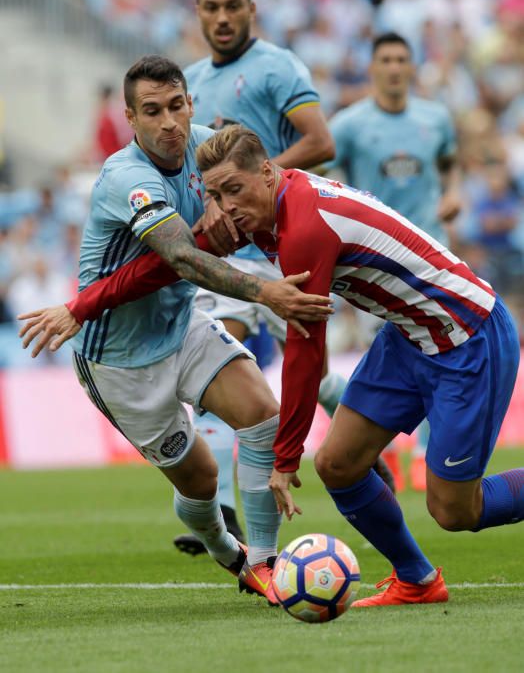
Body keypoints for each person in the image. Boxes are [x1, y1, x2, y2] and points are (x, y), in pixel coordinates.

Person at [27, 125, 522, 608]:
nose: (226, 208)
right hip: (409, 336)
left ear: (268, 172)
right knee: (338, 465)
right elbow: (168, 262)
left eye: (235, 190)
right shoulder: (259, 214)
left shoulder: (304, 225)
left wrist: (284, 460)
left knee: (455, 510)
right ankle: (416, 580)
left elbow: (307, 355)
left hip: (466, 335)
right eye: (215, 195)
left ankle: (419, 567)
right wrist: (79, 308)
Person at [20, 59, 334, 605]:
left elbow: (237, 182)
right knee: (202, 480)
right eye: (152, 111)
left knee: (262, 415)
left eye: (176, 106)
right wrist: (266, 292)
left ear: (190, 104)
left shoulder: (206, 144)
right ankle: (222, 547)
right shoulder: (127, 179)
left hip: (181, 325)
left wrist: (217, 196)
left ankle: (261, 562)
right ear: (130, 118)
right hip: (118, 361)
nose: (169, 122)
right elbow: (182, 259)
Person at [173, 0, 345, 554]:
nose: (221, 17)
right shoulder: (190, 85)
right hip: (229, 263)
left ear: (251, 8)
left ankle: (363, 447)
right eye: (211, 8)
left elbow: (320, 142)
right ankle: (223, 503)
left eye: (232, 6)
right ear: (197, 12)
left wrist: (255, 186)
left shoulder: (279, 66)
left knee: (312, 379)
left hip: (282, 249)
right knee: (225, 355)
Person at [327, 32, 463, 492]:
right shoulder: (349, 125)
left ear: (412, 66)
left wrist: (453, 194)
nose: (393, 67)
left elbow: (449, 165)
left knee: (436, 354)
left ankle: (425, 456)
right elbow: (324, 175)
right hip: (376, 265)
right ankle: (378, 451)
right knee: (382, 360)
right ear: (372, 67)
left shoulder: (436, 118)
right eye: (385, 59)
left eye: (401, 59)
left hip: (432, 255)